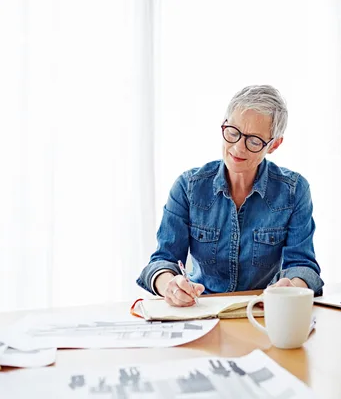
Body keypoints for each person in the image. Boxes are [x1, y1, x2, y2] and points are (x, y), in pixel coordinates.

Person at [136, 85, 323, 306]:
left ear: (274, 144)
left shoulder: (294, 191)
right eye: (233, 132)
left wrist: (291, 288)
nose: (238, 148)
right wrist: (170, 285)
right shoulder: (188, 187)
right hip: (202, 309)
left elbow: (304, 266)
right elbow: (162, 261)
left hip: (264, 310)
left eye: (253, 141)